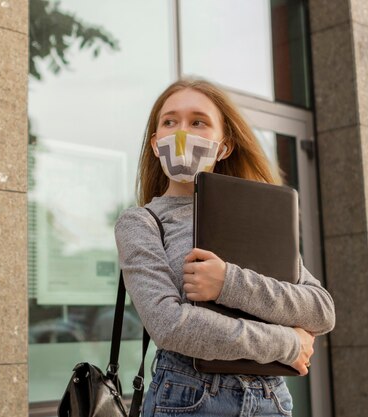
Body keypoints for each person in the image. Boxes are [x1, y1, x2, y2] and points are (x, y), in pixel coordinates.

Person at [114, 79, 335, 417]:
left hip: (270, 399)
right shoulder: (141, 223)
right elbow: (170, 326)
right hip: (188, 399)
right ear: (157, 144)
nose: (182, 133)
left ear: (223, 147)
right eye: (170, 122)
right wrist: (287, 343)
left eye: (198, 122)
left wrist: (227, 282)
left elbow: (320, 310)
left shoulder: (258, 216)